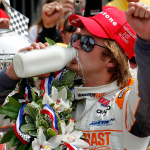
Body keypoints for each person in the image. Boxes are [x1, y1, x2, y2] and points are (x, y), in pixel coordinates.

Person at [1, 2, 150, 150]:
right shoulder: (52, 92)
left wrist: (146, 41)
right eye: (75, 38)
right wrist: (11, 74)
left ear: (112, 58)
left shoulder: (126, 103)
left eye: (87, 42)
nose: (76, 45)